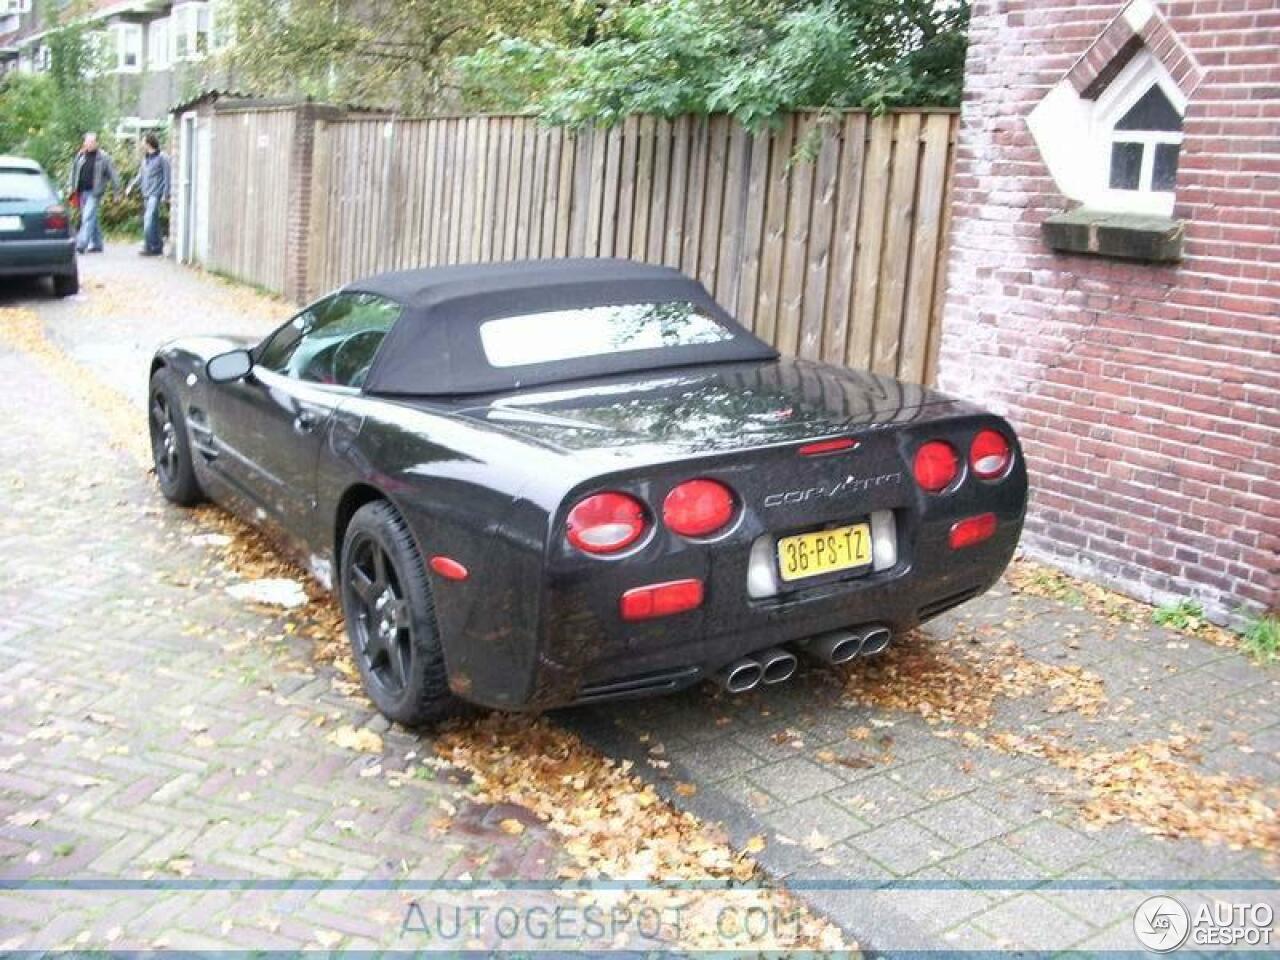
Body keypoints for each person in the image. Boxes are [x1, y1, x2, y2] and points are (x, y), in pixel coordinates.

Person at [67, 132, 121, 254]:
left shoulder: (103, 157)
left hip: (94, 192)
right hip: (81, 192)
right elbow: (74, 172)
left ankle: (81, 244)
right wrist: (71, 189)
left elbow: (113, 175)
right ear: (84, 143)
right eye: (87, 142)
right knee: (92, 218)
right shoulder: (80, 156)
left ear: (96, 143)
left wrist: (117, 192)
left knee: (87, 217)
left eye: (92, 142)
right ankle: (97, 244)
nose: (89, 144)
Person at [127, 133, 171, 256]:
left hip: (155, 194)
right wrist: (131, 185)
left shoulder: (163, 157)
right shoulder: (145, 158)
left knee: (148, 220)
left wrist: (166, 194)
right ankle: (157, 247)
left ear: (148, 143)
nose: (141, 144)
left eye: (143, 141)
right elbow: (141, 175)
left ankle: (148, 246)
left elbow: (168, 176)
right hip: (146, 193)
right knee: (154, 221)